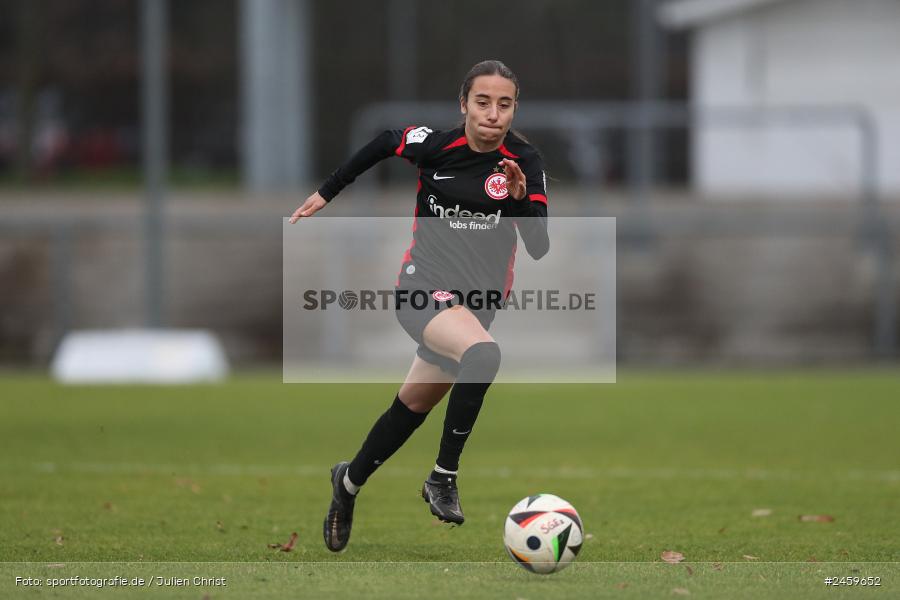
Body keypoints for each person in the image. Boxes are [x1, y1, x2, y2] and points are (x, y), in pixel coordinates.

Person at [289, 60, 549, 552]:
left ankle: (347, 482)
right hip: (421, 288)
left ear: (515, 108)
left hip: (473, 309)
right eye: (483, 102)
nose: (493, 113)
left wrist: (517, 199)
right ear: (464, 105)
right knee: (484, 355)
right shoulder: (437, 146)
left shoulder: (524, 161)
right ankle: (442, 477)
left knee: (411, 406)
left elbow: (538, 245)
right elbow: (388, 138)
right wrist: (328, 191)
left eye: (505, 104)